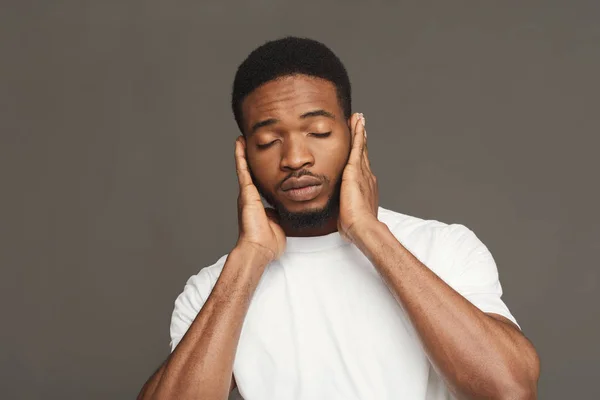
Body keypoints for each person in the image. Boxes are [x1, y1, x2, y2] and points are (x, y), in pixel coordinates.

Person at [138, 36, 540, 400]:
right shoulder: (215, 289)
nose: (295, 158)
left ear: (354, 133)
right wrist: (249, 259)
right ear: (243, 154)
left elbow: (508, 390)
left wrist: (369, 233)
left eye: (318, 132)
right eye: (268, 141)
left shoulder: (444, 248)